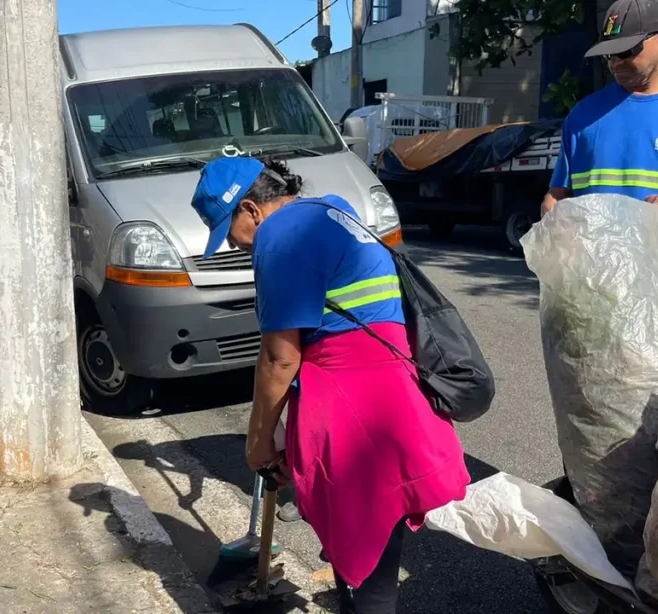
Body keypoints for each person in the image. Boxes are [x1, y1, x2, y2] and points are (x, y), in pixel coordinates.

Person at [190, 156, 470, 613]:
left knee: (369, 576)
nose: (235, 247)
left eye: (229, 231)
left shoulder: (280, 239)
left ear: (250, 209)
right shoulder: (332, 210)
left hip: (353, 409)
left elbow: (280, 359)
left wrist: (258, 443)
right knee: (373, 556)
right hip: (392, 395)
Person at [543, 0, 658, 387]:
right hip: (597, 299)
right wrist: (552, 218)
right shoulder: (584, 116)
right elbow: (557, 194)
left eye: (628, 52)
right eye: (609, 56)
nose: (617, 62)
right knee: (597, 420)